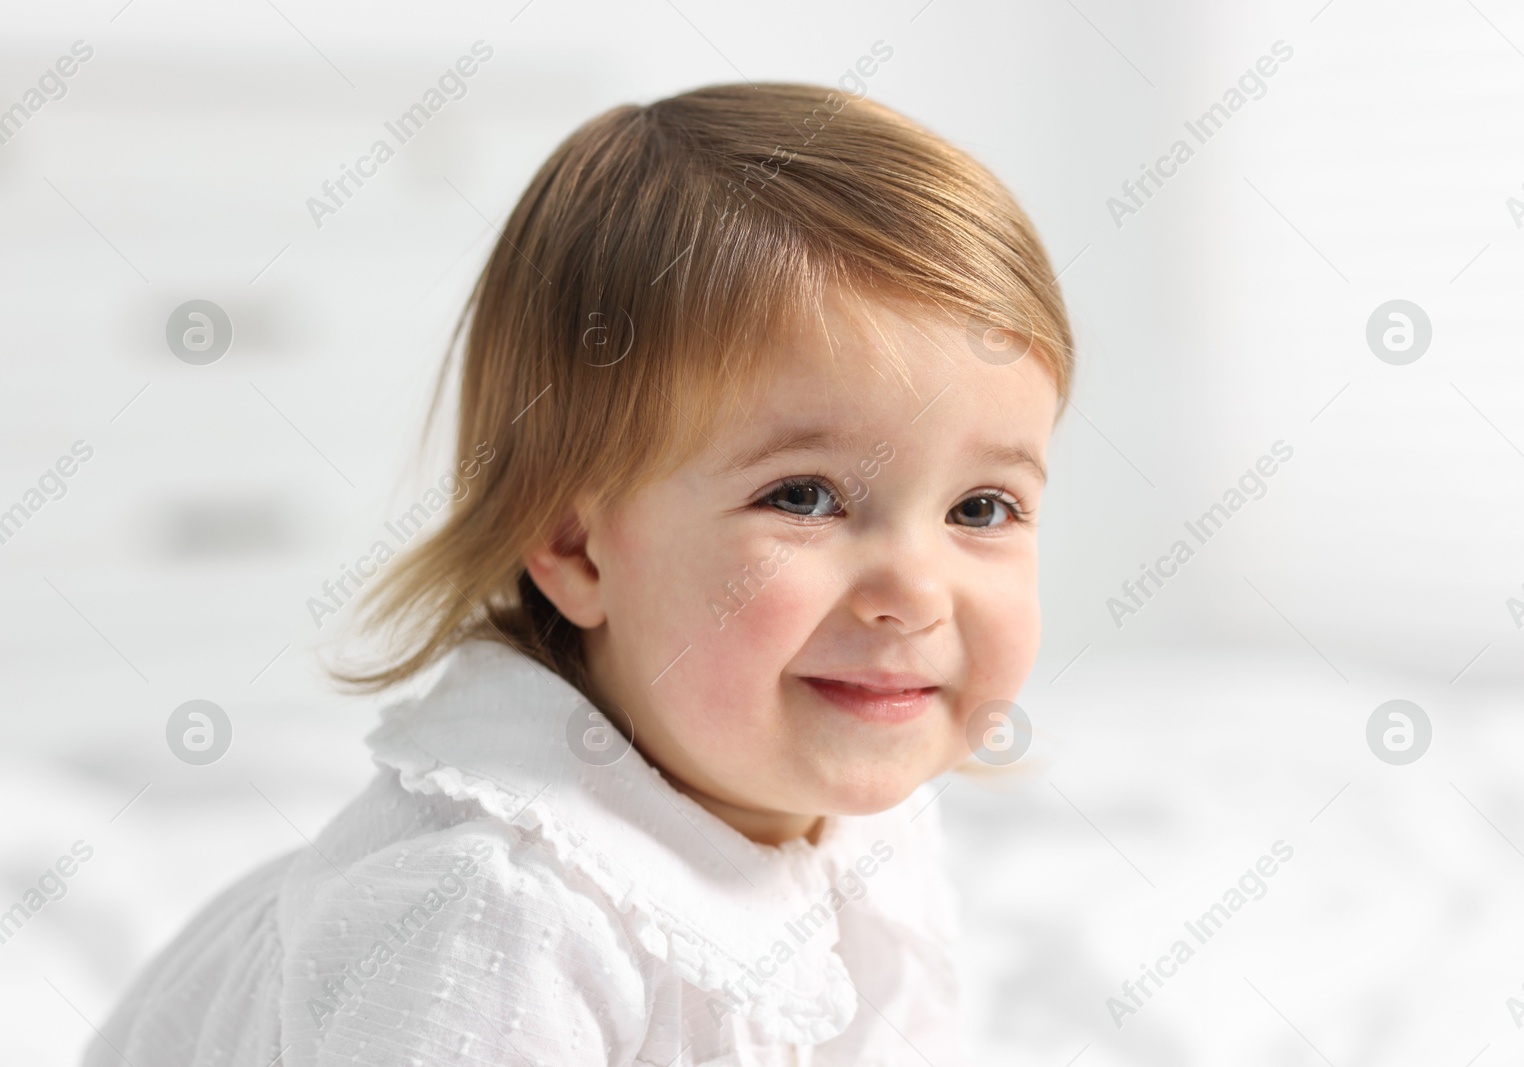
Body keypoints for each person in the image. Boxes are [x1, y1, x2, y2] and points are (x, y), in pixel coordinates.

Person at [85, 80, 1074, 1066]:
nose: (914, 590)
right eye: (805, 497)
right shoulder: (491, 912)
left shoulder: (867, 815)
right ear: (573, 543)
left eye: (979, 508)